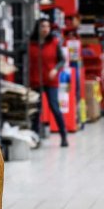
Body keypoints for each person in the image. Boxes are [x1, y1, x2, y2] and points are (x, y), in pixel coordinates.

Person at [30, 17, 68, 147]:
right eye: (42, 26)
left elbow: (62, 60)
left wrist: (55, 70)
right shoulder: (31, 43)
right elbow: (20, 55)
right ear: (38, 28)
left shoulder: (54, 42)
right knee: (36, 111)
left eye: (47, 26)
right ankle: (35, 138)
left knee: (54, 107)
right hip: (35, 81)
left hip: (51, 81)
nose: (45, 29)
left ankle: (63, 136)